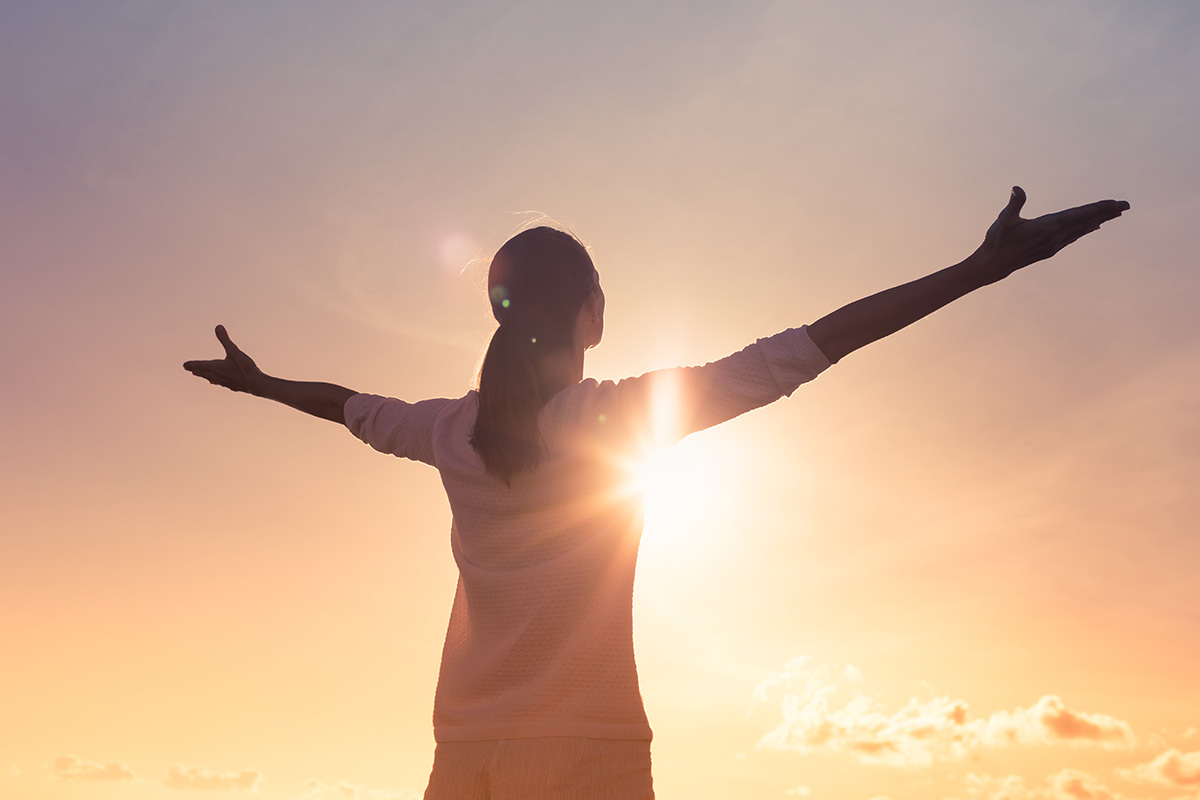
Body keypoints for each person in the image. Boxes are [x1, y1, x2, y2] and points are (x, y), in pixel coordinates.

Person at [184, 187, 1129, 800]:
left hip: (463, 761)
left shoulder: (447, 431)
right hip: (589, 757)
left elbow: (349, 405)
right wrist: (980, 268)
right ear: (593, 315)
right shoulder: (617, 418)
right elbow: (808, 348)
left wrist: (260, 384)